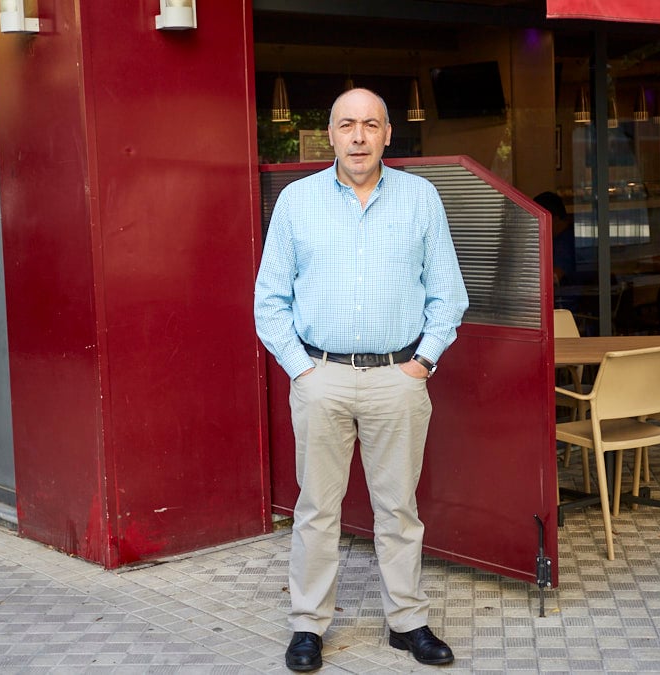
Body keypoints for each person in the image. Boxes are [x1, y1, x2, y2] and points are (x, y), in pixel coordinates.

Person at [254, 88, 469, 672]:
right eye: (346, 124)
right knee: (316, 509)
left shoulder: (420, 198)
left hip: (397, 377)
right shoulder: (297, 202)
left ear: (387, 134)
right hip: (320, 375)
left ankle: (407, 622)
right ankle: (308, 626)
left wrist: (422, 363)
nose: (358, 136)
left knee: (398, 509)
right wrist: (302, 370)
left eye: (370, 125)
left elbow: (447, 293)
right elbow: (269, 300)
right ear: (330, 134)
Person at [533, 190, 576, 286]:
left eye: (539, 220)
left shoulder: (565, 242)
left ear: (554, 219)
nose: (537, 226)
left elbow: (554, 277)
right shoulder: (559, 238)